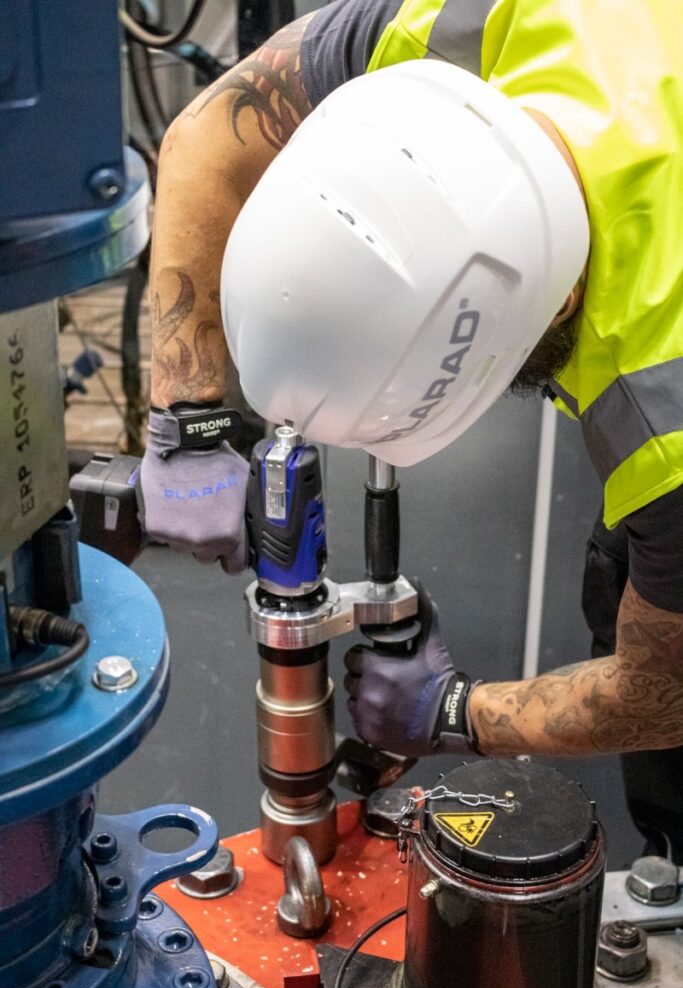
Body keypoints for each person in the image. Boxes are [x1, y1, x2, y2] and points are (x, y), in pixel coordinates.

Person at [140, 0, 683, 856]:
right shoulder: (492, 20)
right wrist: (186, 408)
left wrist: (461, 714)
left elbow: (664, 691)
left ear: (551, 307)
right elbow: (214, 126)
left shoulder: (663, 420)